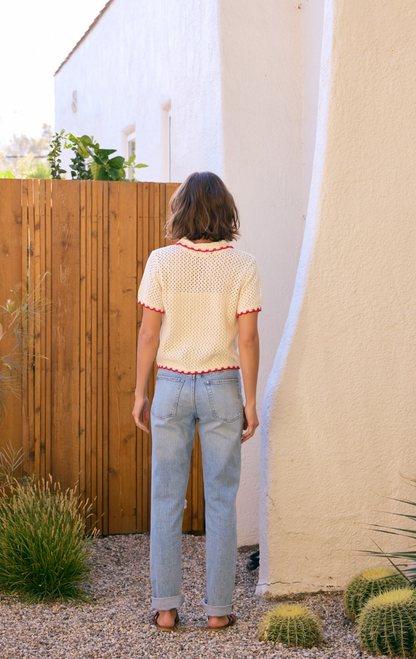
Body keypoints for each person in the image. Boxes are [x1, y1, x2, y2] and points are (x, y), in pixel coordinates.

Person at [132, 171, 262, 632]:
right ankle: (218, 610)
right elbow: (247, 340)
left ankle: (166, 609)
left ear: (181, 211)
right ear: (225, 211)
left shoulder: (161, 261)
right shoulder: (242, 265)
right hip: (222, 386)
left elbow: (149, 332)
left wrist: (140, 392)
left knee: (166, 497)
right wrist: (250, 401)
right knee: (222, 501)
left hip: (170, 384)